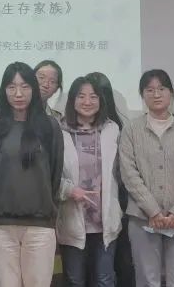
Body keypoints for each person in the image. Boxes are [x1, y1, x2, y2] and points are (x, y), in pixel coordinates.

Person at [0, 62, 64, 287]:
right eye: (11, 87)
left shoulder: (49, 126)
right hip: (1, 225)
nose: (18, 94)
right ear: (3, 90)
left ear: (34, 89)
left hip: (40, 225)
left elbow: (55, 175)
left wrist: (45, 206)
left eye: (25, 86)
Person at [118, 69, 174, 287]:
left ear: (171, 93)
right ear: (142, 95)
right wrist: (153, 211)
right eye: (150, 90)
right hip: (142, 219)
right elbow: (129, 174)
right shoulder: (131, 129)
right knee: (147, 280)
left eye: (162, 89)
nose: (156, 94)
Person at [56, 77, 123, 287]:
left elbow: (121, 172)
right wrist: (69, 190)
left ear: (101, 100)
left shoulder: (112, 130)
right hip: (72, 218)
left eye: (93, 96)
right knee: (75, 280)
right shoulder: (59, 131)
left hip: (105, 219)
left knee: (105, 279)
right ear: (72, 100)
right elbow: (50, 174)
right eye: (81, 96)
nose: (87, 102)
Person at [83, 71, 134, 287]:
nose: (89, 102)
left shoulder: (117, 129)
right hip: (87, 205)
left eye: (95, 96)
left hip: (116, 204)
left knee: (117, 262)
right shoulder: (73, 129)